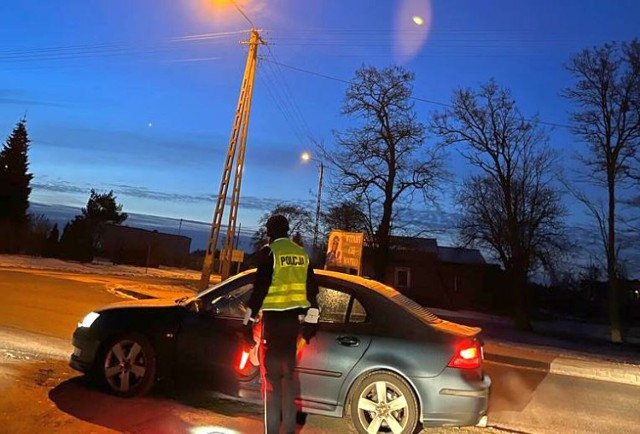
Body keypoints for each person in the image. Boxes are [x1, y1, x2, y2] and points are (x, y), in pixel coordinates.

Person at [241, 214, 320, 434]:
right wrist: (308, 330)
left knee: (272, 385)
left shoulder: (270, 254)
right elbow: (313, 295)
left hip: (273, 328)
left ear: (269, 232)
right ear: (287, 230)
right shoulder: (301, 254)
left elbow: (258, 293)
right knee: (289, 383)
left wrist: (246, 326)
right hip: (293, 327)